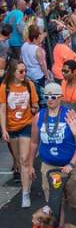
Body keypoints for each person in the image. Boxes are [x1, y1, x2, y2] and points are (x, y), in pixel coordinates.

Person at [28, 81, 76, 228]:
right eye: (47, 96)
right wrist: (29, 165)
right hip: (49, 167)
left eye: (54, 96)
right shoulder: (39, 117)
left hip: (71, 166)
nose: (50, 99)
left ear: (60, 97)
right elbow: (34, 143)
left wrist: (72, 164)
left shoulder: (70, 115)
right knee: (55, 204)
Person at [0, 59, 39, 208]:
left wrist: (34, 109)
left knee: (24, 159)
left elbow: (35, 104)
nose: (24, 74)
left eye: (25, 71)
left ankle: (25, 193)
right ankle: (29, 170)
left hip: (26, 125)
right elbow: (2, 110)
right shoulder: (5, 87)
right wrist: (4, 129)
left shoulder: (29, 85)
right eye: (21, 71)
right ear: (13, 72)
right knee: (18, 159)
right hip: (11, 128)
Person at [20, 24, 47, 98]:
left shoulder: (24, 45)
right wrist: (47, 75)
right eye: (39, 37)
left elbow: (22, 59)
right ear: (35, 38)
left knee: (32, 94)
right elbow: (42, 64)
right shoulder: (37, 49)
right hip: (38, 76)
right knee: (41, 95)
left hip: (28, 74)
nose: (40, 39)